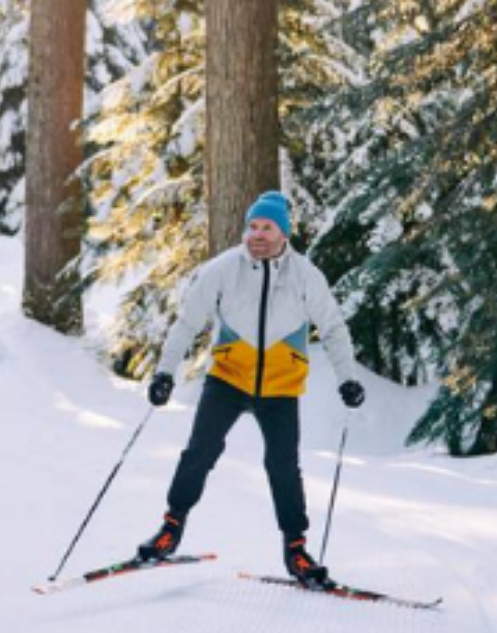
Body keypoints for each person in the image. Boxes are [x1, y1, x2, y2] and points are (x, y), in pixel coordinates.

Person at [133, 191, 366, 587]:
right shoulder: (223, 269)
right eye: (252, 226)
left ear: (283, 233)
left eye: (266, 227)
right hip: (227, 377)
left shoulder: (305, 276)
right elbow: (187, 323)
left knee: (283, 466)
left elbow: (333, 328)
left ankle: (296, 550)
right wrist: (164, 373)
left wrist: (348, 378)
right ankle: (171, 529)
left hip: (279, 385)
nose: (257, 234)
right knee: (199, 453)